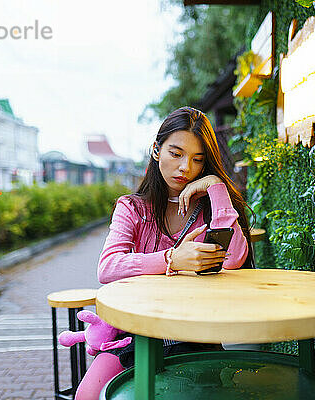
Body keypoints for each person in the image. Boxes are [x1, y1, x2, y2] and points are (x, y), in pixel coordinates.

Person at [74, 106, 253, 400]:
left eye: (198, 159)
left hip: (194, 333)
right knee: (87, 396)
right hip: (135, 333)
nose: (185, 167)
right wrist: (172, 258)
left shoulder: (208, 208)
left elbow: (233, 260)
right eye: (175, 153)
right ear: (157, 150)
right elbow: (107, 267)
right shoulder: (133, 208)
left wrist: (218, 188)